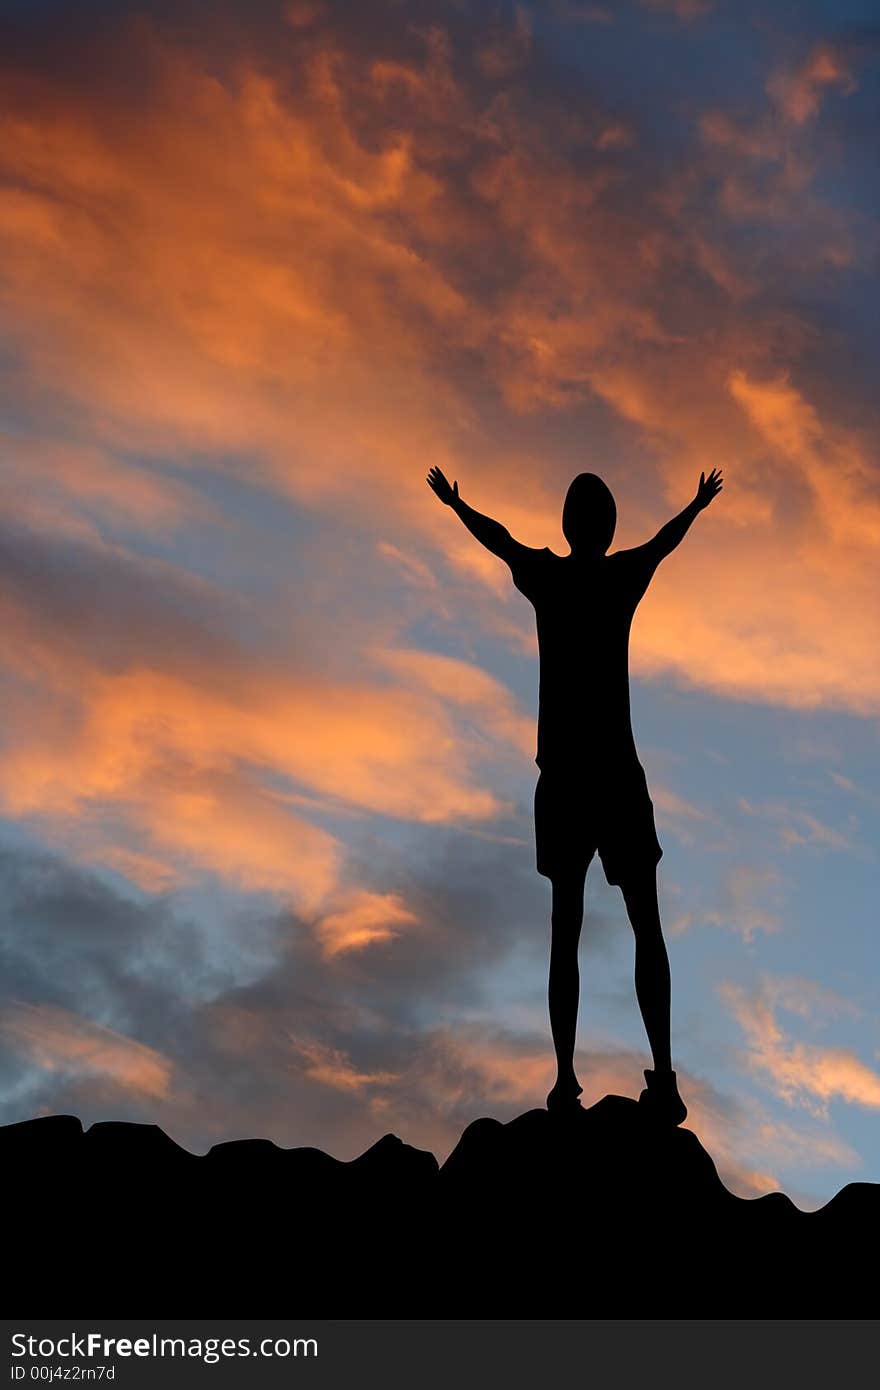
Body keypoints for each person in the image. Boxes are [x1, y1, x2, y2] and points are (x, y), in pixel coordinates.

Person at [427, 465, 723, 1124]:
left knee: (568, 928)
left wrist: (458, 504)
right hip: (612, 772)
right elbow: (663, 542)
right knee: (643, 925)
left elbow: (499, 539)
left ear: (568, 524)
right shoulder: (618, 578)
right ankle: (661, 1079)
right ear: (608, 526)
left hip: (568, 776)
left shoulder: (552, 577)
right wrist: (695, 506)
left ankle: (566, 1081)